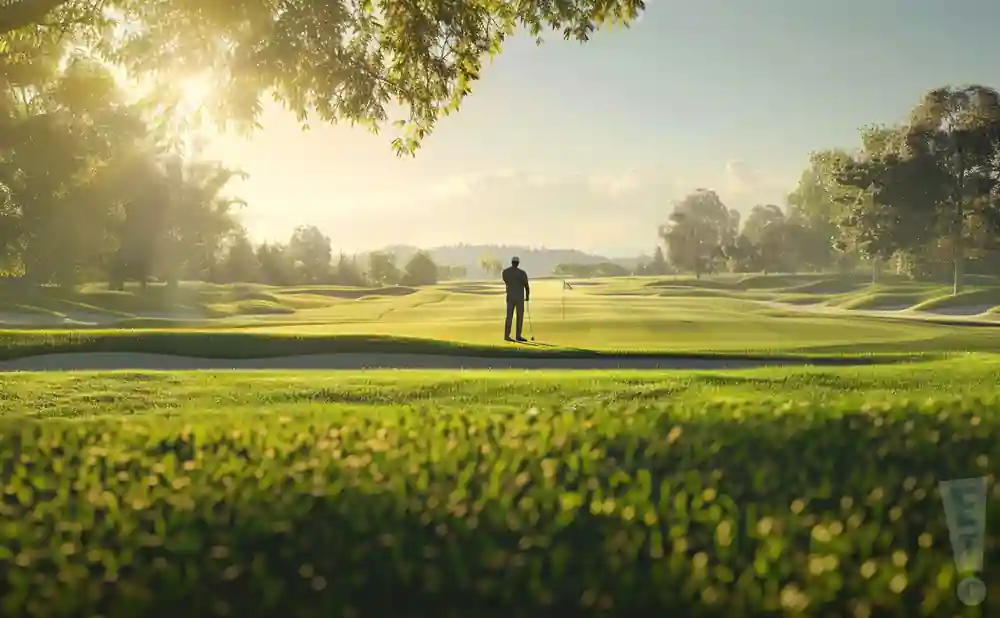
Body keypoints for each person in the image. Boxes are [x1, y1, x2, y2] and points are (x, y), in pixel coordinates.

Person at [501, 256, 530, 342]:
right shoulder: (522, 273)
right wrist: (527, 296)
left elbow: (505, 279)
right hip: (519, 297)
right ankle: (518, 335)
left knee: (509, 316)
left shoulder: (506, 272)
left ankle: (507, 335)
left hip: (510, 296)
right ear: (518, 263)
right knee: (519, 317)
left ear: (512, 262)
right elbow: (526, 286)